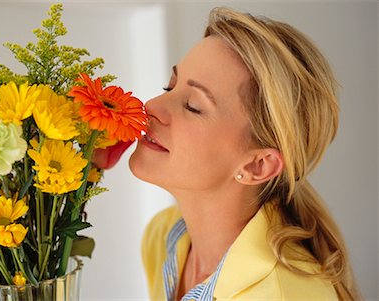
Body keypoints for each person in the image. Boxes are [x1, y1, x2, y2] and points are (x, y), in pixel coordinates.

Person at [129, 7, 361, 301]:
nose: (151, 105)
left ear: (257, 165)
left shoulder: (284, 295)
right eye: (169, 86)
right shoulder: (162, 238)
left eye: (193, 106)